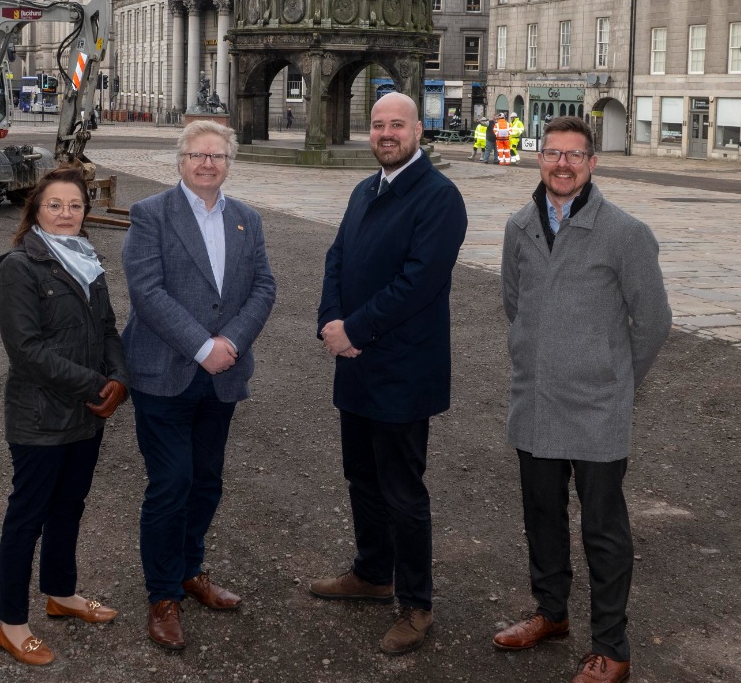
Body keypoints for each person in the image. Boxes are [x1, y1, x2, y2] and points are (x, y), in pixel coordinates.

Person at [493, 115, 671, 683]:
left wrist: (618, 380)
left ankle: (611, 648)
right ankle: (550, 613)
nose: (562, 164)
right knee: (541, 517)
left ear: (593, 163)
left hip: (598, 408)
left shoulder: (624, 232)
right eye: (552, 153)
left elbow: (654, 323)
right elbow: (514, 305)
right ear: (538, 159)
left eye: (574, 155)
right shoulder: (519, 226)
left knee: (603, 530)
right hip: (536, 403)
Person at [312, 92, 468, 656]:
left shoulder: (438, 197)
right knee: (360, 477)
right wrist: (331, 320)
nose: (385, 133)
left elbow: (418, 283)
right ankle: (373, 573)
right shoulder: (364, 188)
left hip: (402, 367)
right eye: (378, 125)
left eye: (396, 125)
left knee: (403, 490)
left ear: (418, 129)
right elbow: (337, 258)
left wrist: (354, 329)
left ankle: (417, 604)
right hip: (355, 363)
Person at [120, 122, 277, 651]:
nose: (207, 163)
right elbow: (147, 291)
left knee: (207, 481)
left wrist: (229, 341)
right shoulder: (150, 214)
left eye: (217, 155)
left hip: (223, 375)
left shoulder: (246, 219)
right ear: (180, 160)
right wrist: (201, 346)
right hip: (164, 374)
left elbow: (263, 286)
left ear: (229, 162)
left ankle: (190, 570)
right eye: (197, 155)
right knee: (171, 484)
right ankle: (162, 595)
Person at [0, 167, 131, 668]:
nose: (66, 213)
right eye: (55, 205)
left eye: (75, 205)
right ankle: (12, 624)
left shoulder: (86, 260)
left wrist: (120, 378)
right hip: (39, 417)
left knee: (69, 507)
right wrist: (99, 386)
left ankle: (61, 593)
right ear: (35, 211)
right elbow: (26, 351)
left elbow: (109, 328)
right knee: (26, 519)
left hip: (86, 416)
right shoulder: (18, 268)